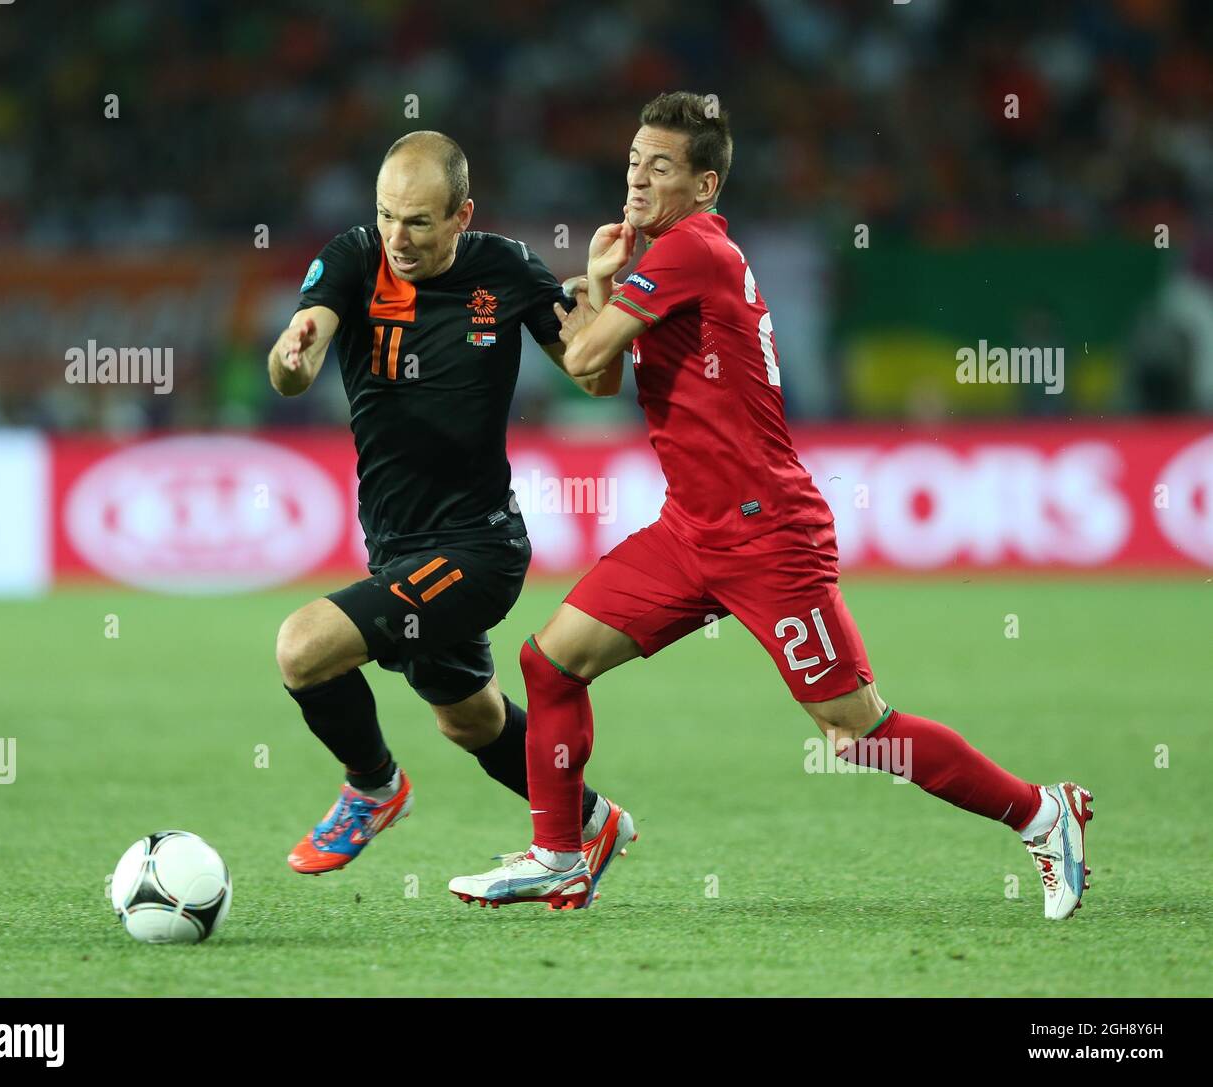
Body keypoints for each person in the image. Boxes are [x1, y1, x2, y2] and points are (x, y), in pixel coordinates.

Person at [448, 94, 1092, 919]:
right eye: (634, 161)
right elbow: (600, 381)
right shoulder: (667, 259)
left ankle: (1043, 813)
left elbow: (580, 355)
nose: (638, 179)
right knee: (551, 661)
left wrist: (561, 296)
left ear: (705, 183)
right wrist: (606, 283)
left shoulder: (690, 252)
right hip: (690, 529)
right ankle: (563, 853)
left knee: (857, 730)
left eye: (661, 167)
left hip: (767, 536)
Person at [269, 130, 635, 884]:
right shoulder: (353, 259)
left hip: (479, 547)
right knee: (471, 719)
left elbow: (596, 381)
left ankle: (374, 786)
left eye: (419, 222)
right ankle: (593, 824)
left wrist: (599, 294)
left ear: (462, 214)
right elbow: (292, 372)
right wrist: (293, 354)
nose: (397, 238)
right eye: (386, 216)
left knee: (303, 646)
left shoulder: (505, 270)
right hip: (397, 546)